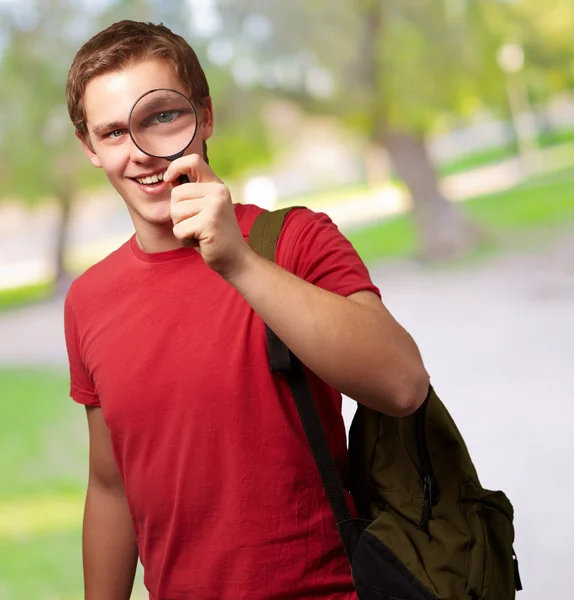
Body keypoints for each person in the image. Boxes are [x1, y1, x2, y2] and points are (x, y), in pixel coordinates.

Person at [64, 19, 429, 600]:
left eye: (161, 116)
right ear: (90, 149)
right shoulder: (88, 301)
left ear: (204, 116)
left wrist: (236, 261)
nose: (140, 153)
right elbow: (110, 486)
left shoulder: (295, 240)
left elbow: (402, 384)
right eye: (112, 133)